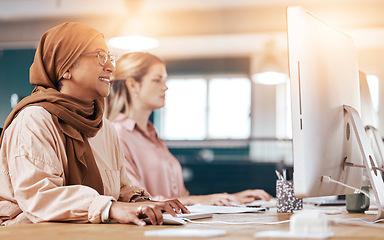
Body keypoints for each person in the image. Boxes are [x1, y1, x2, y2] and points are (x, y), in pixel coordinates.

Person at [0, 22, 189, 227]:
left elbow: (120, 189)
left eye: (110, 58)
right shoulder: (34, 120)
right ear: (66, 68)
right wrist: (111, 207)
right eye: (100, 56)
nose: (111, 67)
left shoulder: (103, 127)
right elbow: (40, 197)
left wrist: (142, 202)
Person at [105, 52, 273, 206]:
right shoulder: (118, 134)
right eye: (157, 80)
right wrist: (204, 200)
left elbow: (179, 197)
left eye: (165, 80)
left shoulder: (151, 134)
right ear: (133, 85)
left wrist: (232, 198)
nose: (165, 87)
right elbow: (136, 201)